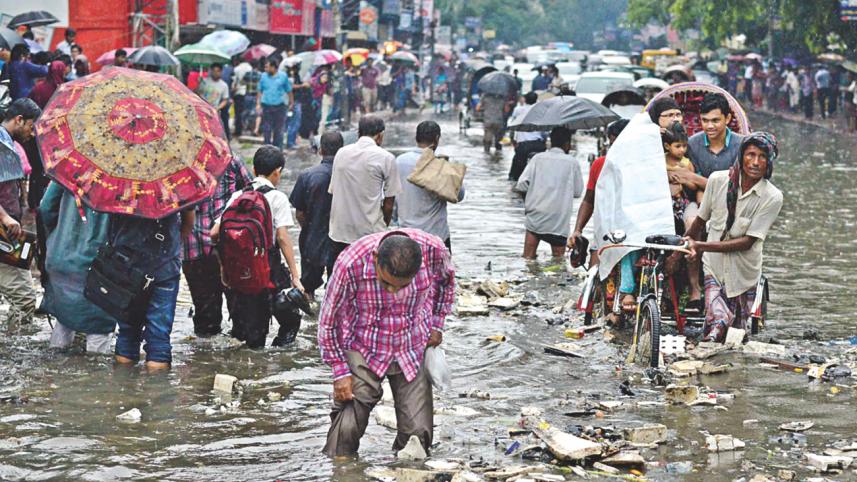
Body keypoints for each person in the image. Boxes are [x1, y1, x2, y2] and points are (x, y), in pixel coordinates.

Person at [318, 230, 455, 457]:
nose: (393, 292)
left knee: (417, 437)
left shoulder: (435, 251)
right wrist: (339, 371)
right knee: (347, 427)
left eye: (402, 286)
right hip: (363, 344)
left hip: (412, 344)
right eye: (386, 283)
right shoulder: (350, 263)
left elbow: (447, 282)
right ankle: (341, 470)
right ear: (374, 259)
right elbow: (328, 321)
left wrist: (437, 324)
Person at [684, 132, 783, 343]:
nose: (755, 162)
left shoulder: (772, 197)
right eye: (751, 155)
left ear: (770, 162)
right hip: (714, 266)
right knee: (717, 321)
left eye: (762, 157)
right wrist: (681, 248)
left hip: (744, 272)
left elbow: (748, 241)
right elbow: (700, 222)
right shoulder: (718, 180)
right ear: (741, 156)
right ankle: (708, 347)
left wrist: (700, 245)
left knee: (736, 333)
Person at [212, 146, 304, 348]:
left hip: (241, 271)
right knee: (289, 314)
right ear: (277, 172)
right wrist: (296, 276)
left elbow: (214, 233)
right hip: (268, 269)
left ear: (253, 170)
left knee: (250, 327)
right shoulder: (278, 197)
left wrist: (224, 269)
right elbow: (282, 237)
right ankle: (278, 354)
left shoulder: (238, 196)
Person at [182, 154, 252, 337]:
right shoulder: (231, 159)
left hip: (193, 246)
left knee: (205, 313)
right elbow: (251, 193)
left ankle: (205, 361)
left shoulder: (179, 165)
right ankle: (235, 356)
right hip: (226, 242)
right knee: (238, 309)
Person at [39, 181, 114, 353]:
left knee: (63, 319)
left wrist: (57, 237)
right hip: (100, 266)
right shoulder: (124, 180)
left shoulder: (71, 167)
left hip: (61, 257)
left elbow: (46, 207)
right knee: (98, 330)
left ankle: (55, 371)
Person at [327, 115, 402, 267]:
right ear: (380, 135)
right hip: (369, 233)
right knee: (368, 281)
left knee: (337, 278)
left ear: (358, 133)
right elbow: (389, 204)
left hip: (339, 231)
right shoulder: (386, 158)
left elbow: (334, 192)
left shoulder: (341, 153)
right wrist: (383, 226)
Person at [0, 99, 41, 330]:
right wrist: (5, 216)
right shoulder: (1, 145)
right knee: (24, 299)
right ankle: (13, 350)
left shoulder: (9, 144)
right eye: (31, 126)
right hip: (3, 232)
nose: (33, 133)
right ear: (19, 120)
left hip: (9, 233)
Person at [394, 121, 465, 251]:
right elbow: (459, 195)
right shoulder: (440, 165)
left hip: (406, 236)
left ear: (416, 138)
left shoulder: (399, 162)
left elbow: (391, 197)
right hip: (436, 237)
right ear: (437, 139)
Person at [514, 126, 583, 259]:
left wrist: (528, 202)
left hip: (536, 215)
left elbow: (521, 185)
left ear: (550, 142)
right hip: (559, 219)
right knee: (558, 261)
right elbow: (578, 192)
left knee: (528, 259)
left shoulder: (537, 158)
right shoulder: (572, 163)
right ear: (568, 144)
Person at [289, 132, 343, 300]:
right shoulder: (349, 175)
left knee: (307, 289)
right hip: (342, 236)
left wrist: (310, 227)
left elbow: (299, 212)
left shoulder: (308, 175)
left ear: (320, 150)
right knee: (338, 288)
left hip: (313, 236)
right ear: (342, 150)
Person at [569, 118, 630, 266]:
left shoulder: (643, 166)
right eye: (611, 144)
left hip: (633, 234)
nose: (614, 149)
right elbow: (588, 200)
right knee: (594, 274)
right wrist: (578, 230)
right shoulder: (600, 164)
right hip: (604, 231)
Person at [662, 122, 703, 311]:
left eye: (684, 146)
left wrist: (685, 179)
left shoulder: (687, 163)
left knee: (691, 225)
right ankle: (666, 291)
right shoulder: (659, 161)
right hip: (664, 206)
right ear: (667, 146)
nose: (681, 150)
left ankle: (694, 288)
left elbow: (695, 187)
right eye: (677, 146)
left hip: (683, 204)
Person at [686, 93, 745, 179]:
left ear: (727, 118)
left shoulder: (742, 144)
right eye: (705, 120)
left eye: (715, 120)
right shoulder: (692, 144)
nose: (710, 126)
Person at [256, 58, 293, 149]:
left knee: (279, 129)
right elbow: (259, 91)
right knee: (267, 128)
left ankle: (278, 149)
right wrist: (258, 103)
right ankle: (267, 149)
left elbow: (289, 90)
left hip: (280, 106)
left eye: (267, 67)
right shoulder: (263, 76)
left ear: (273, 67)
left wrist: (291, 102)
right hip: (267, 106)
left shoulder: (283, 76)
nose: (265, 69)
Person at [508, 91, 546, 181]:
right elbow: (544, 132)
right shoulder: (541, 110)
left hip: (523, 146)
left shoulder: (518, 110)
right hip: (538, 145)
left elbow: (513, 126)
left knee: (514, 175)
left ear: (525, 99)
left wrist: (513, 140)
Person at [196, 63, 231, 138]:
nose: (216, 73)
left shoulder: (224, 85)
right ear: (211, 71)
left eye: (218, 71)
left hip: (214, 113)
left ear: (221, 72)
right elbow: (196, 93)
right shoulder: (204, 81)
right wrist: (198, 83)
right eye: (214, 71)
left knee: (213, 133)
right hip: (202, 111)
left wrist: (217, 108)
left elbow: (225, 100)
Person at [231, 57, 253, 137]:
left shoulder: (236, 69)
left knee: (238, 113)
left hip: (238, 92)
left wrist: (233, 90)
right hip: (247, 92)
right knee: (247, 112)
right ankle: (247, 128)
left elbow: (235, 81)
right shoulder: (250, 68)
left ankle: (238, 130)